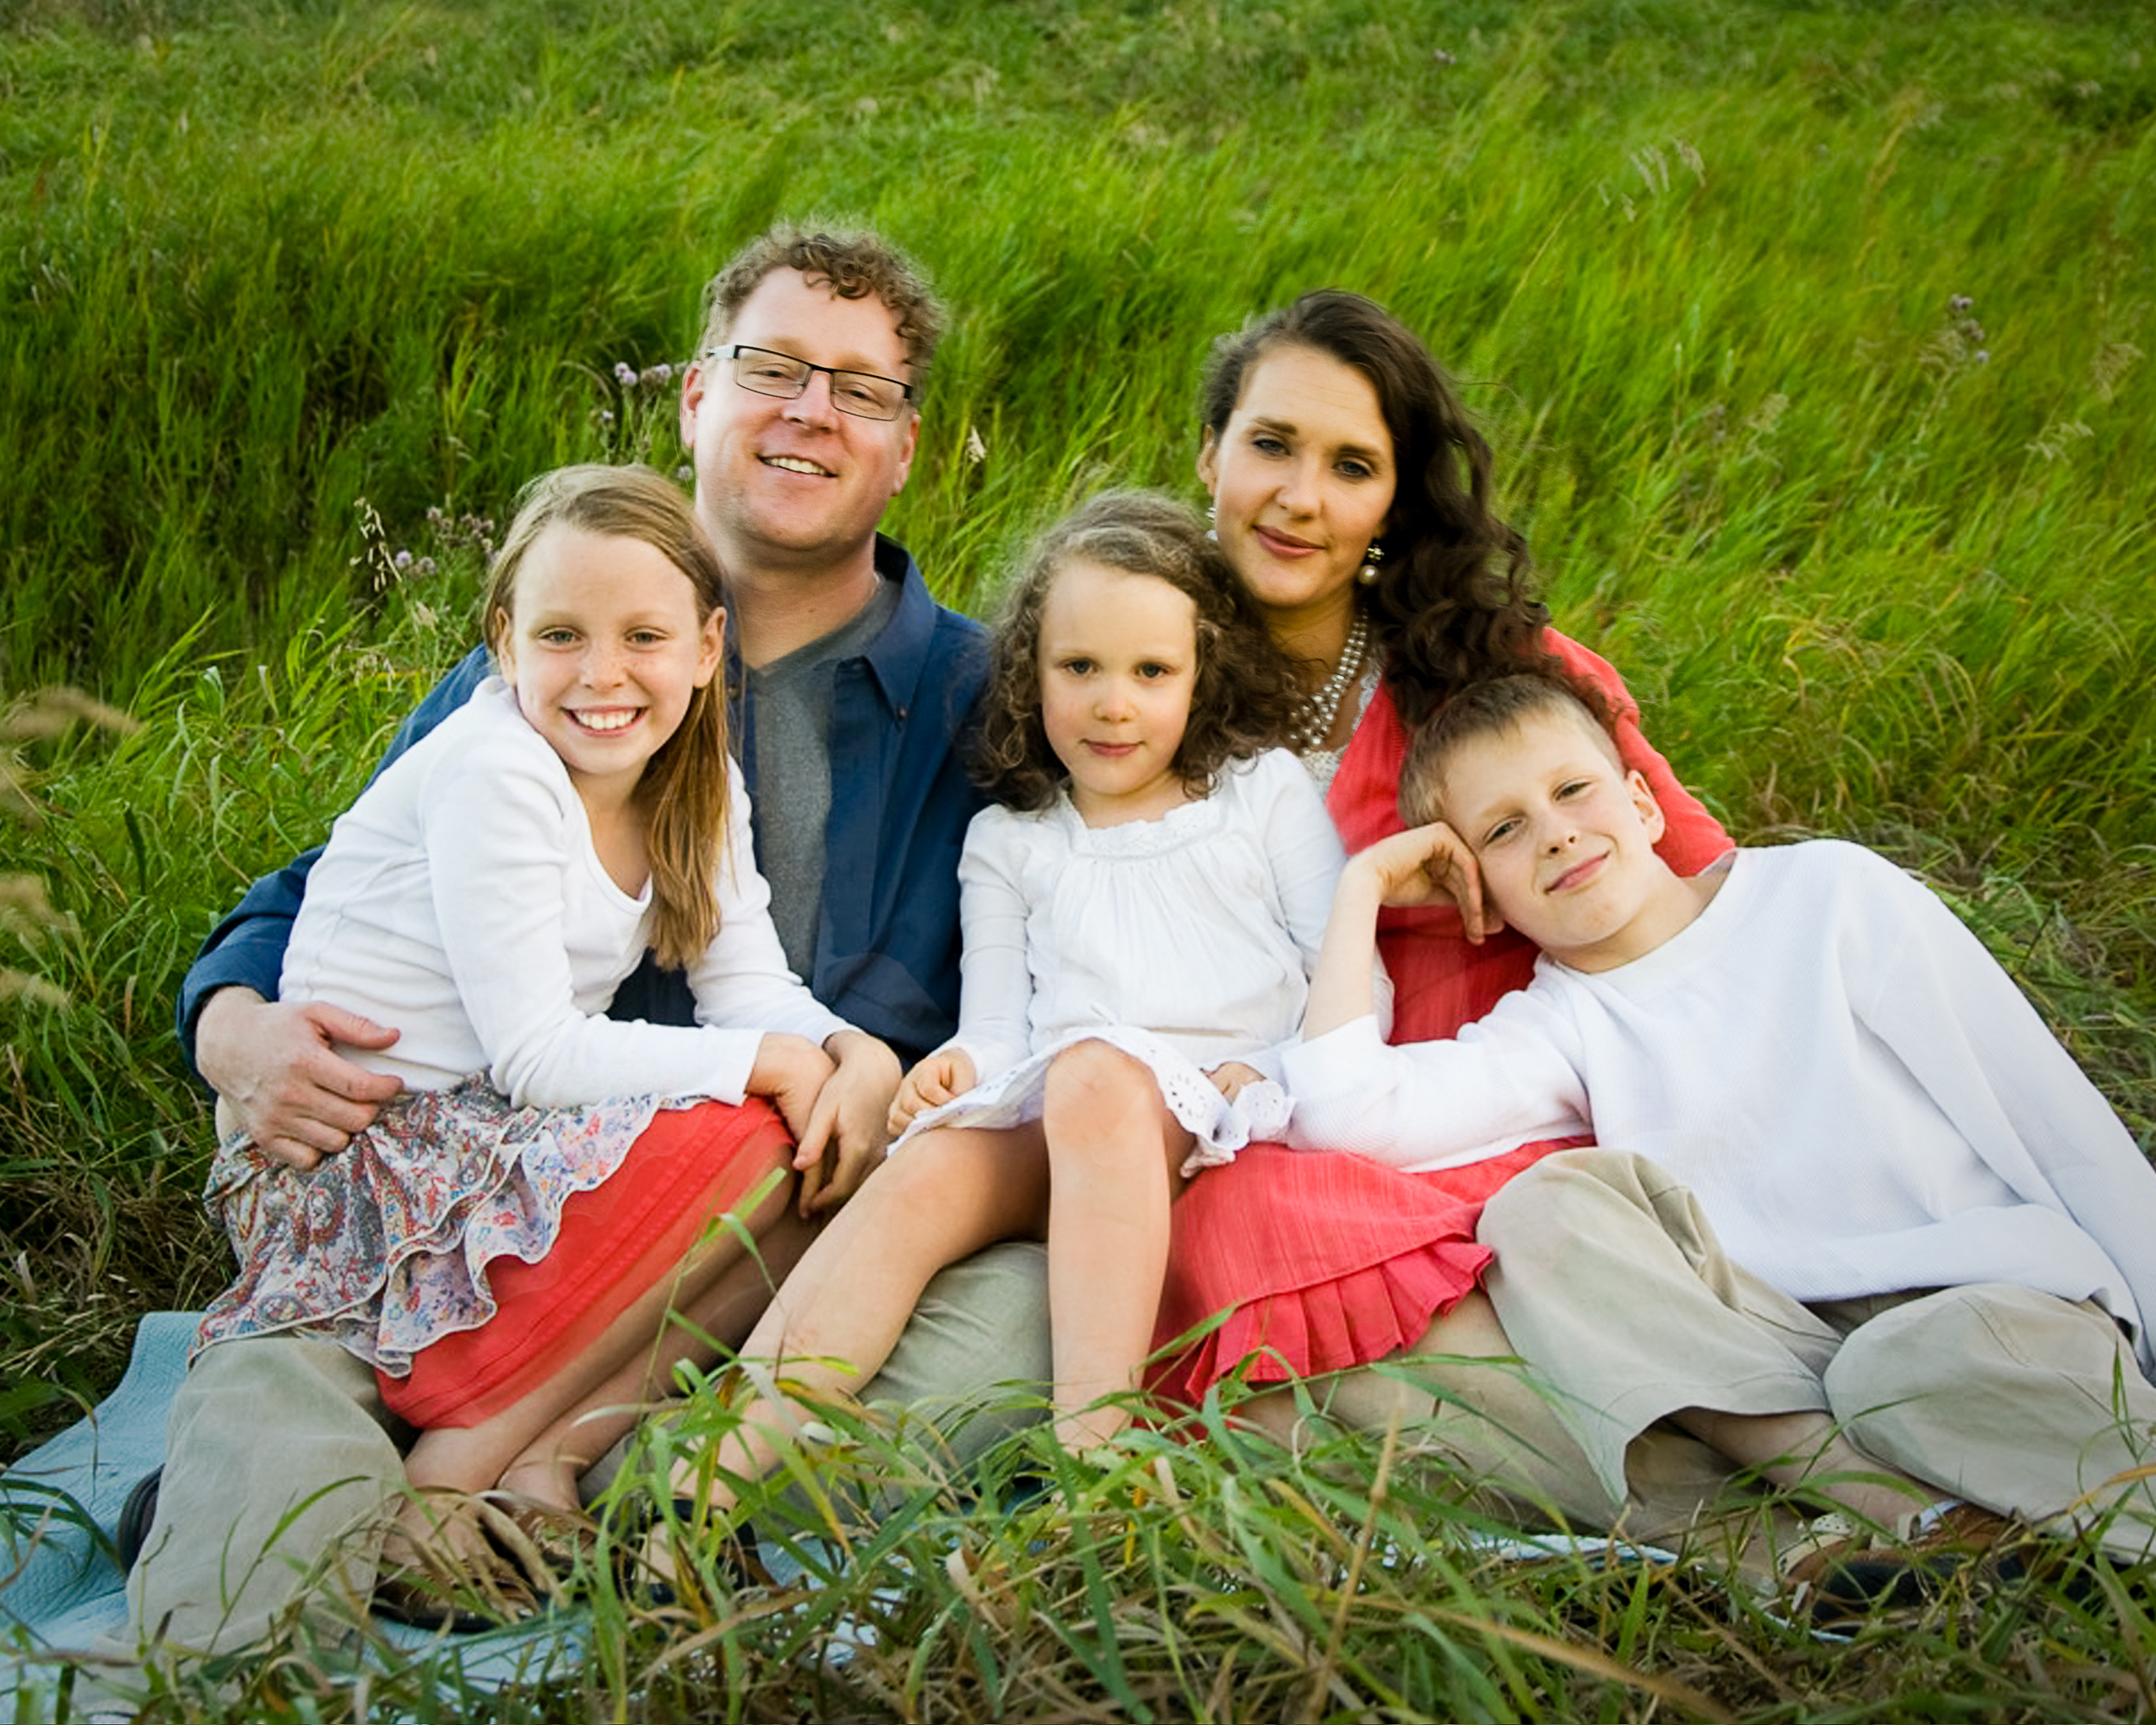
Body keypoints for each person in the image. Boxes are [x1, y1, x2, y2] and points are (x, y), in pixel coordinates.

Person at [124, 226, 1050, 1659]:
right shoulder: (558, 659)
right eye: (775, 368)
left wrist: (868, 1064)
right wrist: (233, 1024)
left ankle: (549, 1490)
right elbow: (329, 888)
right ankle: (317, 1562)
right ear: (694, 396)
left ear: (909, 445)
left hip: (803, 1210)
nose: (810, 412)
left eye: (858, 391)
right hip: (486, 1162)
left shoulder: (985, 694)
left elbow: (1060, 940)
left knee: (990, 1334)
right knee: (292, 1374)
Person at [654, 491, 1489, 1539]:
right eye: (1079, 668)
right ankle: (707, 1484)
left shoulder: (1258, 794)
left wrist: (1268, 1078)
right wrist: (953, 1069)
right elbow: (1002, 1031)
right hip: (1068, 1123)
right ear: (1031, 674)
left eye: (1151, 673)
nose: (1112, 704)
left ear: (1202, 674)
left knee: (1097, 1073)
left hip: (1222, 1113)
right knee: (929, 1168)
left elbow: (1357, 983)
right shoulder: (1013, 841)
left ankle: (1096, 1469)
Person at [1283, 669, 2156, 1597]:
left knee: (1904, 1366)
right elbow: (1344, 1111)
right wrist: (1363, 890)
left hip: (1982, 1313)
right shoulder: (1560, 1025)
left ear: (1646, 804)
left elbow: (2049, 1118)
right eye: (1504, 830)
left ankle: (2024, 1528)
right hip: (1788, 1364)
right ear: (1480, 896)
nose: (1557, 832)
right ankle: (1909, 1523)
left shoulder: (1826, 894)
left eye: (1572, 790)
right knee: (1542, 1210)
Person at [190, 464, 885, 1622]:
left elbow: (751, 986)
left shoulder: (693, 778)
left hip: (476, 1139)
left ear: (709, 647)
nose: (604, 675)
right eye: (562, 634)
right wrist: (774, 1066)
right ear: (502, 642)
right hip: (362, 1164)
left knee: (816, 1156)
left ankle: (548, 1453)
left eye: (644, 636)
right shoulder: (496, 772)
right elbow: (539, 1059)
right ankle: (452, 1472)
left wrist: (852, 1056)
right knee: (761, 1129)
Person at [1158, 289, 1746, 1538]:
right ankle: (1718, 1521)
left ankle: (1751, 1491)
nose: (1299, 498)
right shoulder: (1140, 682)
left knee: (1274, 1239)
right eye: (1270, 445)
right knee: (1235, 1250)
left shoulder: (1508, 676)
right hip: (1294, 1113)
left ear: (1396, 500)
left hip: (1529, 1099)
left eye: (1352, 465)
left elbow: (1698, 892)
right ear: (1209, 454)